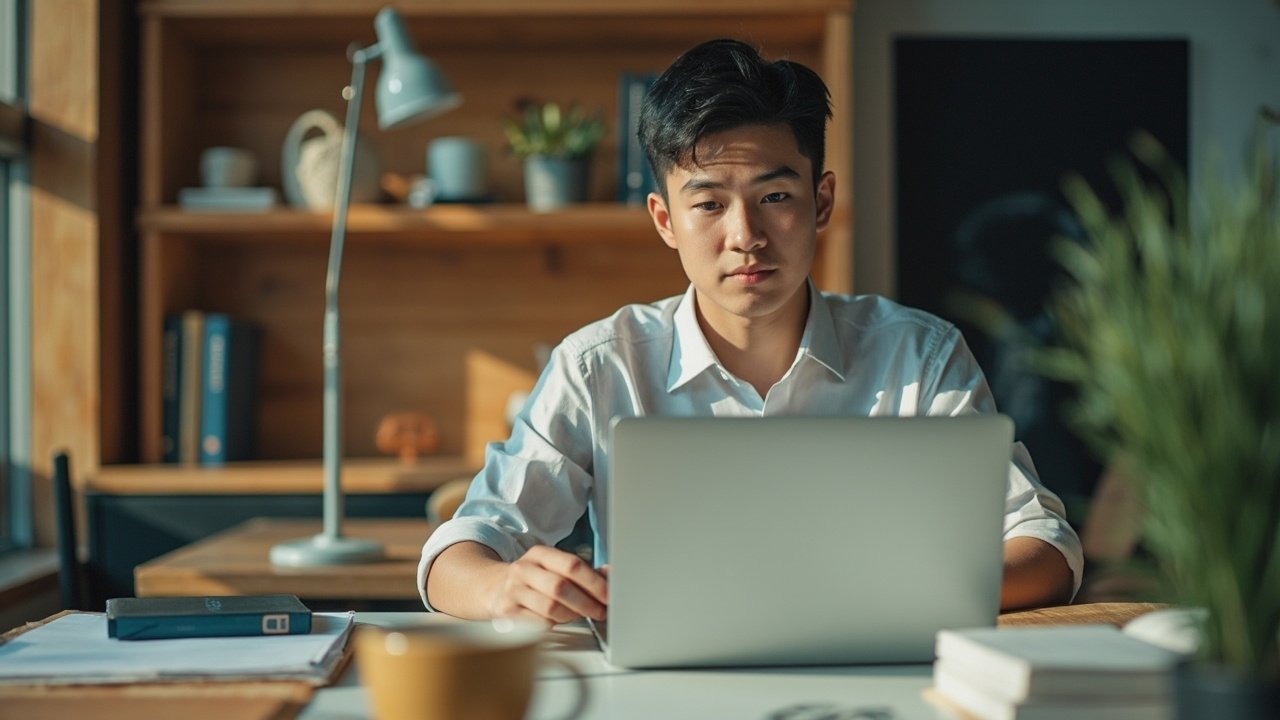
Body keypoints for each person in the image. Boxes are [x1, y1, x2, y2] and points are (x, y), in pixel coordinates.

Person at [420, 38, 1082, 625]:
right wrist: (508, 585)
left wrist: (874, 596)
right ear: (664, 220)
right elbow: (460, 551)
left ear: (820, 201)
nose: (745, 237)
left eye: (774, 197)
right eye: (708, 204)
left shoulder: (920, 355)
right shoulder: (601, 366)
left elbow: (1045, 543)